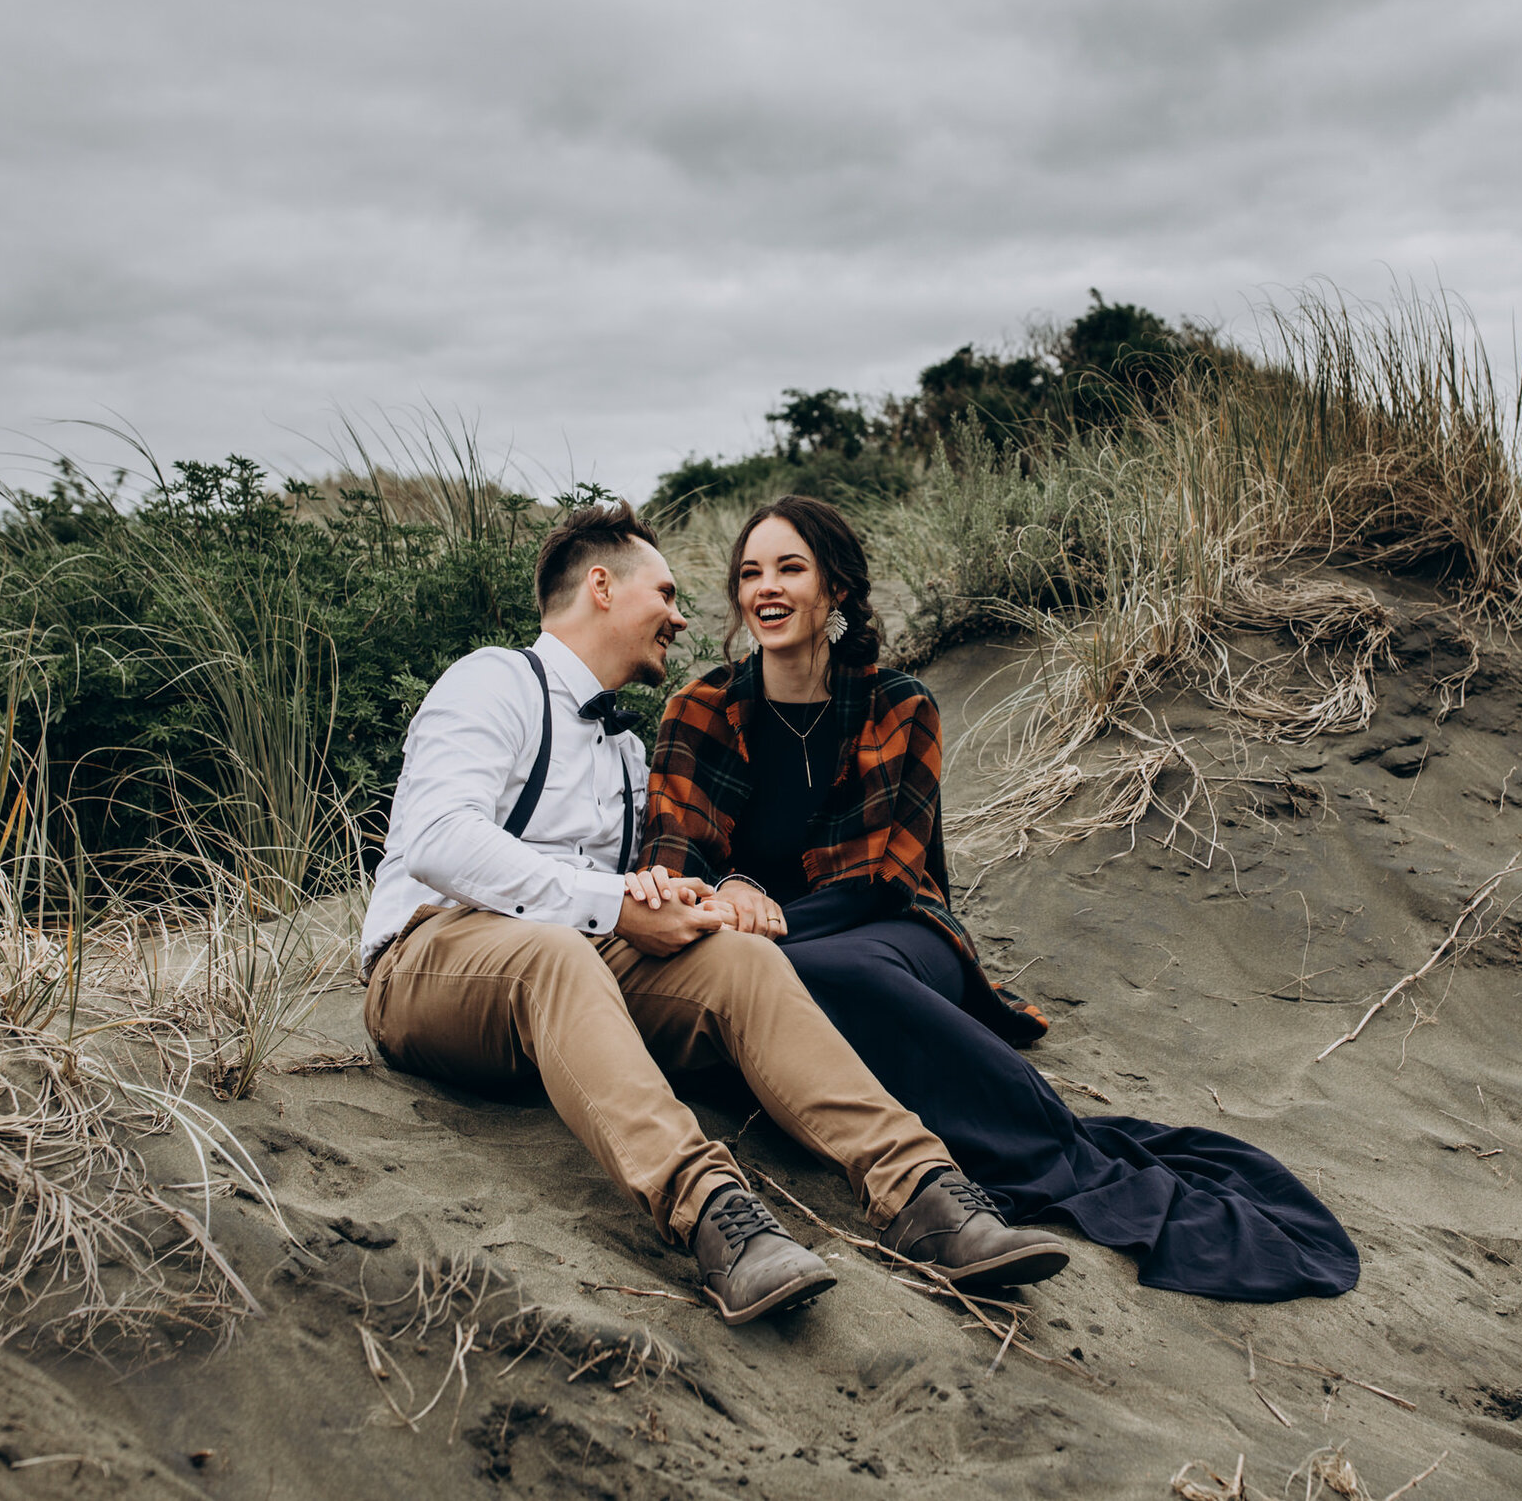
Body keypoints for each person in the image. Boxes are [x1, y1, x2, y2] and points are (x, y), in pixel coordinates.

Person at [359, 501, 1070, 1326]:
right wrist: (612, 903)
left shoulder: (629, 752)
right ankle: (715, 1217)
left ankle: (922, 1190)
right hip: (431, 963)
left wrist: (690, 897)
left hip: (578, 977)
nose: (681, 614)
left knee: (738, 956)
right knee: (555, 953)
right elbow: (440, 842)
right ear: (601, 586)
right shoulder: (494, 679)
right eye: (664, 592)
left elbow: (649, 880)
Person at [641, 496, 1360, 1302]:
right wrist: (726, 894)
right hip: (745, 945)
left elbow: (882, 874)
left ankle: (1035, 1146)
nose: (765, 588)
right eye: (750, 573)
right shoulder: (697, 710)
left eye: (789, 568)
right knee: (777, 980)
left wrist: (759, 917)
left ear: (835, 589)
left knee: (841, 974)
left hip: (891, 933)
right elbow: (672, 858)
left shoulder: (900, 706)